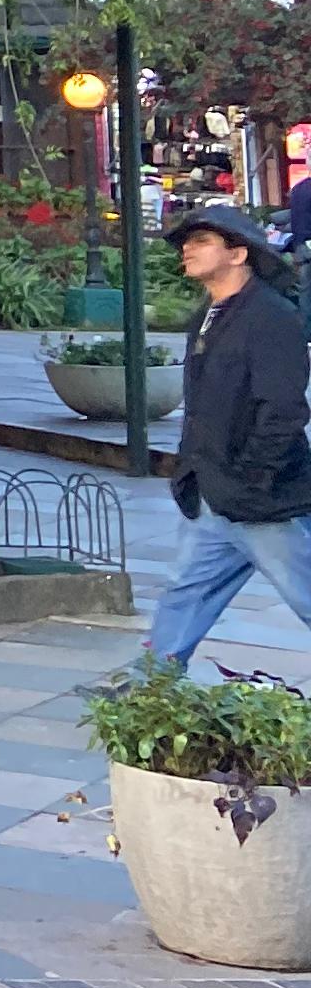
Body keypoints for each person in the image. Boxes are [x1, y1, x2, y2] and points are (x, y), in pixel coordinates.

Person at [144, 203, 311, 664]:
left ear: (238, 254)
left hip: (265, 501)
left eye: (201, 241)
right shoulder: (209, 314)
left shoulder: (272, 317)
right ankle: (151, 685)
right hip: (213, 492)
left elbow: (284, 410)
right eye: (186, 242)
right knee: (185, 591)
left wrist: (251, 480)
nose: (187, 250)